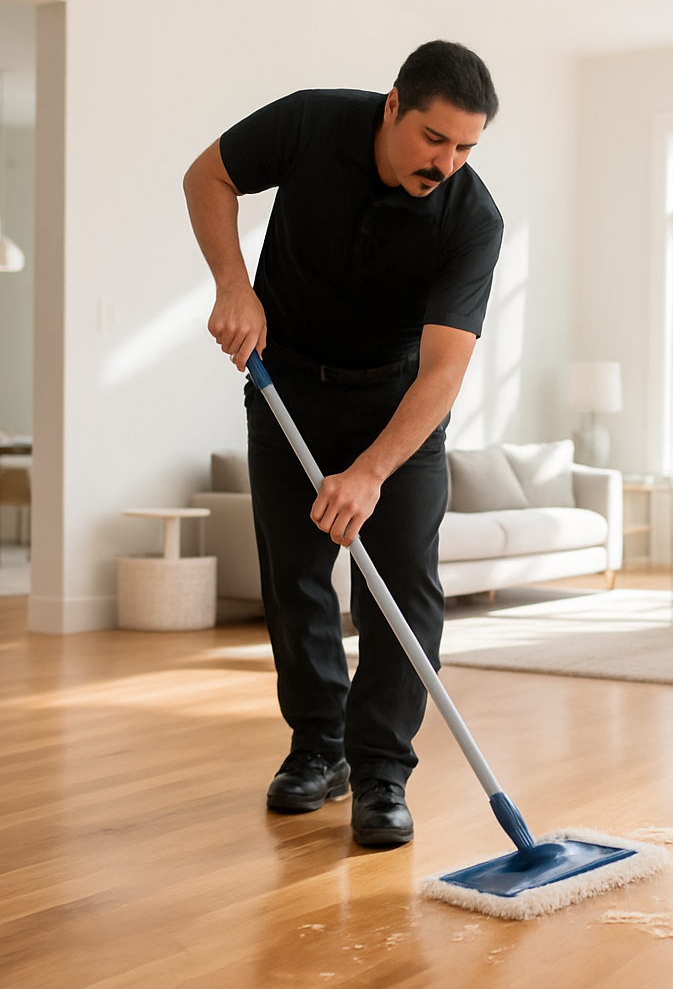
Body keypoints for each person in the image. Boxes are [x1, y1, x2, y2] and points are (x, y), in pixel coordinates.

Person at [183, 41, 503, 847]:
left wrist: (370, 472)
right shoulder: (311, 122)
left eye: (466, 147)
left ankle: (381, 773)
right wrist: (234, 284)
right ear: (394, 104)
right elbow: (207, 176)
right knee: (294, 579)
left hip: (398, 405)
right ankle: (318, 749)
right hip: (284, 383)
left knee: (401, 591)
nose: (448, 162)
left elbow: (443, 373)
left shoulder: (471, 218)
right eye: (436, 138)